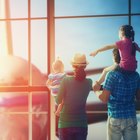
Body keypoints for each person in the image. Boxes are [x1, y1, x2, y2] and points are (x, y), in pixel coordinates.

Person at [93, 67, 140, 140]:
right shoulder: (136, 75)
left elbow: (104, 98)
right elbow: (138, 96)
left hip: (115, 117)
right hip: (131, 117)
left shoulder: (112, 75)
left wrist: (96, 90)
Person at [55, 53, 93, 140]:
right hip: (81, 124)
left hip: (65, 123)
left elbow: (57, 101)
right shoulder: (89, 82)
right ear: (85, 66)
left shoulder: (65, 81)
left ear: (73, 65)